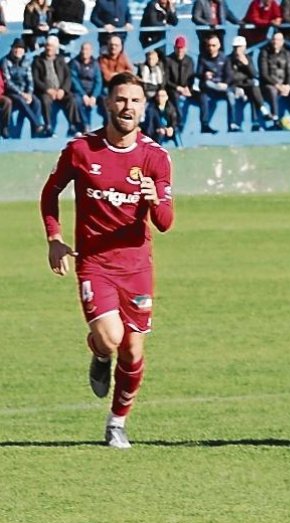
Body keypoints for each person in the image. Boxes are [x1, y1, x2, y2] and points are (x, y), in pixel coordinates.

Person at [39, 71, 174, 450]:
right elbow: (50, 194)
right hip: (94, 263)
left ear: (144, 108)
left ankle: (117, 423)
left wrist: (153, 199)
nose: (127, 107)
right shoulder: (81, 150)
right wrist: (54, 238)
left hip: (137, 268)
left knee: (133, 351)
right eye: (120, 99)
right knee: (112, 338)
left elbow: (164, 223)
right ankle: (99, 350)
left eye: (134, 100)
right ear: (107, 103)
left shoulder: (155, 158)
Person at [33, 35, 82, 135]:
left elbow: (68, 76)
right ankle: (48, 126)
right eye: (47, 46)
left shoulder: (61, 59)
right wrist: (47, 89)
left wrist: (63, 90)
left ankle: (73, 126)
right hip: (46, 91)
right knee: (45, 100)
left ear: (56, 48)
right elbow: (36, 79)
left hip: (60, 91)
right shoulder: (37, 61)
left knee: (72, 99)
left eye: (51, 46)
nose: (49, 48)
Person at [2, 42, 47, 137]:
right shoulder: (5, 61)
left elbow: (30, 80)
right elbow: (8, 82)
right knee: (20, 99)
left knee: (36, 102)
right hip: (11, 92)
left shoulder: (26, 61)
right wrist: (21, 93)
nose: (18, 51)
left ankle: (35, 134)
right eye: (16, 48)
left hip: (25, 92)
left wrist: (29, 93)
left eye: (21, 49)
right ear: (12, 49)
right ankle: (37, 125)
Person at [197, 34, 237, 133]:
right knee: (204, 96)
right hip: (209, 88)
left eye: (213, 45)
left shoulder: (224, 58)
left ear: (219, 46)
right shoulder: (202, 58)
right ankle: (205, 125)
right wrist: (204, 74)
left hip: (222, 87)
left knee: (230, 95)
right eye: (209, 45)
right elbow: (198, 73)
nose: (211, 48)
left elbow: (229, 75)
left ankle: (232, 124)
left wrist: (225, 84)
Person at [259, 31, 290, 123]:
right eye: (274, 39)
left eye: (278, 40)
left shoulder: (287, 53)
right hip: (270, 84)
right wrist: (277, 85)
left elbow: (289, 71)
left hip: (283, 84)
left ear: (282, 42)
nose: (275, 42)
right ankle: (275, 117)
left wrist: (288, 85)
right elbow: (264, 74)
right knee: (272, 90)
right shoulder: (264, 53)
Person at [164, 36, 196, 128]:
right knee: (174, 97)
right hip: (172, 88)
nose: (180, 50)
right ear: (174, 48)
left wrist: (188, 88)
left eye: (181, 48)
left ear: (185, 49)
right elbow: (166, 79)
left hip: (186, 88)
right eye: (178, 48)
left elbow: (191, 77)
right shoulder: (168, 60)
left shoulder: (189, 60)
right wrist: (178, 88)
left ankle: (205, 124)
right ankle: (179, 121)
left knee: (203, 97)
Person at [72, 41, 104, 130]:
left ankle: (108, 125)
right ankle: (84, 125)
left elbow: (98, 81)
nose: (84, 52)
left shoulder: (95, 64)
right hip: (79, 92)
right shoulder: (75, 62)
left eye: (86, 49)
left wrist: (94, 96)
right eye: (82, 49)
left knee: (104, 100)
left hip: (92, 92)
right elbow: (74, 80)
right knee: (77, 101)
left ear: (91, 51)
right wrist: (84, 95)